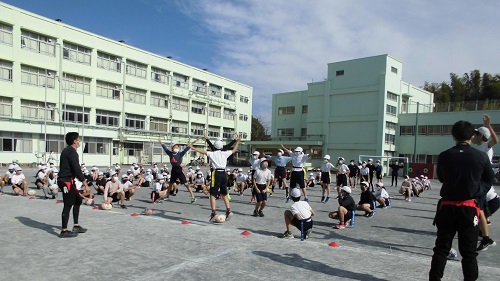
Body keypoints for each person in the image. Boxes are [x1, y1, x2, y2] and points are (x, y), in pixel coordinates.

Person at [429, 121, 494, 281]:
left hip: (447, 206)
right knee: (469, 252)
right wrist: (478, 191)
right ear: (472, 136)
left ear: (453, 136)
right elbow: (489, 178)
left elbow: (442, 178)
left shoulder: (444, 155)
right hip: (469, 207)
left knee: (441, 249)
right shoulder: (480, 156)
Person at [188, 135, 241, 221]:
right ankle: (228, 210)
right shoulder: (225, 153)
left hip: (216, 173)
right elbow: (234, 150)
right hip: (224, 173)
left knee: (212, 194)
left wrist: (192, 147)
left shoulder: (212, 153)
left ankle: (213, 212)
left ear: (214, 146)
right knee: (224, 193)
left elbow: (202, 151)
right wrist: (237, 142)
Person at [471, 114, 498, 251]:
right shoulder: (477, 148)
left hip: (483, 182)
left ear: (481, 136)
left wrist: (488, 126)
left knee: (479, 209)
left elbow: (495, 140)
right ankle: (483, 232)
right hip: (479, 182)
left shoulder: (486, 146)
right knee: (479, 210)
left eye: (476, 134)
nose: (473, 136)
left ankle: (486, 238)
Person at [57, 132, 89, 238]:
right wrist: (85, 184)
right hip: (65, 181)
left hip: (70, 180)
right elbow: (77, 169)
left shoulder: (68, 150)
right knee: (68, 204)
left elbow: (74, 170)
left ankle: (76, 225)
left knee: (78, 200)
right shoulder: (71, 152)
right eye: (78, 139)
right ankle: (64, 231)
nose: (79, 141)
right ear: (75, 141)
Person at [159, 138, 198, 203]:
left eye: (178, 146)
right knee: (171, 183)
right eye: (176, 146)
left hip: (179, 169)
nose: (177, 147)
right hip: (173, 169)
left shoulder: (180, 154)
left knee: (186, 184)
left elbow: (187, 148)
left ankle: (193, 197)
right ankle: (167, 195)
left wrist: (194, 142)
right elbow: (165, 148)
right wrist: (161, 143)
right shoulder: (170, 153)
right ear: (172, 147)